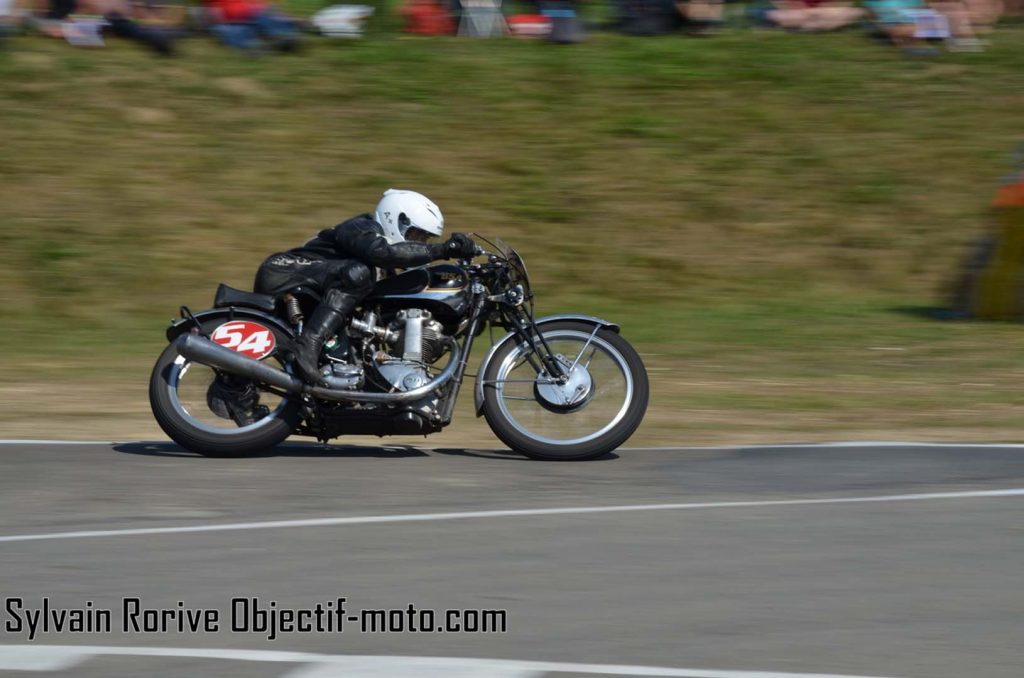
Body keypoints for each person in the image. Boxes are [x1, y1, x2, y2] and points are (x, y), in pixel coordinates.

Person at [253, 189, 478, 386]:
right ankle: (308, 344)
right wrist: (443, 250)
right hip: (285, 272)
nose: (419, 244)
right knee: (358, 273)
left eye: (424, 239)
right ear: (395, 219)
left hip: (310, 288)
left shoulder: (384, 269)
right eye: (416, 235)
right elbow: (380, 252)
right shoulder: (362, 227)